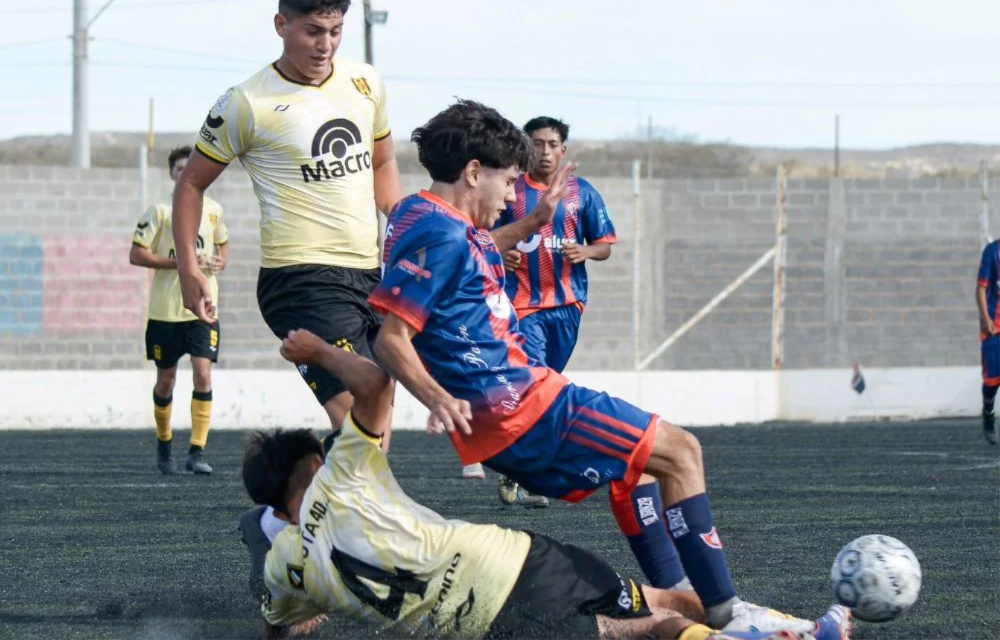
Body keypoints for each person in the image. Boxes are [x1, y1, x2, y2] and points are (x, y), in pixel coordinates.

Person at [369, 99, 829, 631]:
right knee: (682, 452)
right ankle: (730, 615)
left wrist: (536, 220)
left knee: (633, 473)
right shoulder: (444, 234)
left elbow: (471, 252)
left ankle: (685, 599)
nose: (510, 197)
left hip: (513, 415)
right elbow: (391, 338)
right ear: (474, 173)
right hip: (527, 409)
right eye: (508, 182)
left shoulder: (416, 214)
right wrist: (437, 397)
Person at [240, 329, 851, 640]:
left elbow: (276, 626)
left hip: (483, 625)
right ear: (313, 463)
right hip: (519, 560)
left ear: (276, 510)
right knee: (669, 608)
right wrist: (318, 350)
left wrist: (293, 621)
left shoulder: (282, 567)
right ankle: (795, 631)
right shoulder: (342, 471)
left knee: (654, 630)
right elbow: (375, 384)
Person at [171, 0, 402, 538]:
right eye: (313, 31)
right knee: (357, 414)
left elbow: (384, 161)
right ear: (282, 26)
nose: (325, 45)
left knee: (377, 421)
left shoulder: (366, 83)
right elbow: (191, 185)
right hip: (299, 278)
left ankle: (279, 525)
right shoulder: (246, 103)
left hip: (369, 274)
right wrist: (189, 269)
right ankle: (350, 550)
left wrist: (407, 226)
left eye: (336, 31)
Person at [490, 116, 616, 509]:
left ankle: (514, 471)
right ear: (527, 147)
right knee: (536, 385)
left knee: (547, 384)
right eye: (538, 143)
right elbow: (485, 235)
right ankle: (531, 472)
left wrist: (586, 252)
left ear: (564, 150)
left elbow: (605, 245)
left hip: (567, 306)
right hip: (523, 306)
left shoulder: (583, 193)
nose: (544, 151)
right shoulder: (511, 192)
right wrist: (502, 253)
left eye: (552, 144)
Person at [130, 145, 227, 475]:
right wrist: (180, 263)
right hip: (165, 311)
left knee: (203, 374)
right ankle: (164, 443)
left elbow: (223, 252)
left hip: (203, 309)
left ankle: (197, 452)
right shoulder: (159, 211)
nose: (185, 172)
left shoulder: (214, 211)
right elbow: (136, 254)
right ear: (172, 174)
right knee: (166, 381)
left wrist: (218, 261)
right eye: (179, 168)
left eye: (191, 167)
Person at [977, 239, 1000, 444]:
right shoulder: (992, 252)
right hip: (995, 328)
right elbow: (981, 289)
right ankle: (988, 414)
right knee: (992, 380)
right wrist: (986, 320)